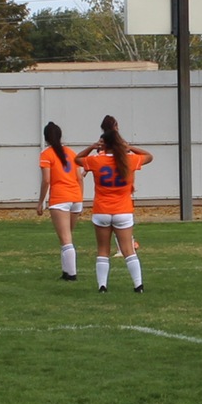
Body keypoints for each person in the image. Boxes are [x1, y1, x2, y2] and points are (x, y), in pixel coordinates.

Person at [83, 115, 152, 293]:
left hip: (102, 210)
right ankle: (138, 285)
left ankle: (102, 286)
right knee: (129, 250)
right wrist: (128, 148)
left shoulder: (96, 160)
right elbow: (149, 156)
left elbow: (77, 159)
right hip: (123, 210)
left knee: (103, 250)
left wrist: (91, 147)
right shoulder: (129, 159)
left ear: (103, 144)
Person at [38, 122, 85, 281]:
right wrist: (80, 198)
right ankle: (66, 271)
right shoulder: (71, 153)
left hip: (60, 198)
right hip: (75, 197)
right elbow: (79, 178)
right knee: (67, 236)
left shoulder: (47, 154)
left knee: (65, 238)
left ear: (46, 137)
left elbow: (46, 180)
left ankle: (71, 275)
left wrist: (40, 202)